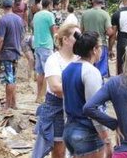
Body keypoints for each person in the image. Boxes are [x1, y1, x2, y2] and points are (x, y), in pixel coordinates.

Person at [62, 31, 111, 158]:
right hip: (86, 132)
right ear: (94, 50)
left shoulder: (68, 69)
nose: (101, 50)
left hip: (70, 130)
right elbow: (94, 109)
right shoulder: (91, 72)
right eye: (100, 47)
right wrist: (106, 138)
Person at [33, 23, 80, 158]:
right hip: (57, 107)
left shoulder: (79, 59)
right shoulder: (53, 59)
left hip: (75, 107)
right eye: (76, 36)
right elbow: (55, 87)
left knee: (75, 148)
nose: (79, 39)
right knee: (59, 150)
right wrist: (80, 90)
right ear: (65, 39)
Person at [0, 0, 26, 111]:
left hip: (6, 53)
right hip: (16, 52)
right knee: (13, 78)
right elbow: (22, 36)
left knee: (9, 80)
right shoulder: (19, 19)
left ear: (3, 7)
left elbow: (0, 40)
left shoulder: (3, 20)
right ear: (12, 6)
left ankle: (7, 104)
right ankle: (14, 103)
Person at [81, 0, 114, 78]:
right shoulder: (105, 14)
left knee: (87, 70)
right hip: (100, 45)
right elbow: (110, 32)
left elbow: (81, 30)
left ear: (92, 1)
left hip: (86, 45)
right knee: (101, 72)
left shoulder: (85, 14)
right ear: (102, 2)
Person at [34, 0, 58, 103]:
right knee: (48, 72)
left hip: (37, 45)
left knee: (40, 73)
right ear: (49, 5)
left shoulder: (36, 15)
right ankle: (43, 97)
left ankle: (38, 95)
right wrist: (56, 43)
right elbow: (53, 30)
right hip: (46, 45)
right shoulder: (49, 15)